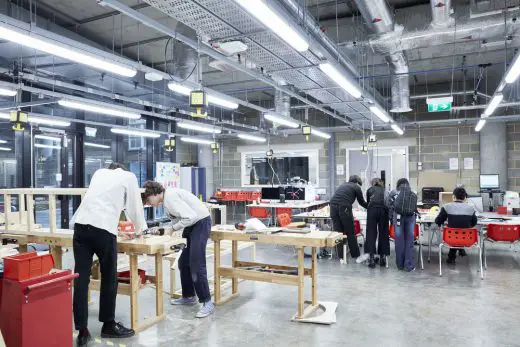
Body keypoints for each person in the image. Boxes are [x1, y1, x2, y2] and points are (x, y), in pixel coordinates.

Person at [71, 163, 147, 346]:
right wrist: (140, 229)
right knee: (109, 277)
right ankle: (108, 325)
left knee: (81, 279)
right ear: (121, 169)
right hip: (103, 229)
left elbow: (98, 200)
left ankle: (82, 330)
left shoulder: (99, 173)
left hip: (80, 226)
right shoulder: (129, 176)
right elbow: (135, 206)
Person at [142, 181, 214, 318]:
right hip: (192, 225)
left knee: (196, 264)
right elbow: (178, 221)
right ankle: (189, 296)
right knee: (183, 262)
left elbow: (190, 217)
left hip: (200, 223)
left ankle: (207, 302)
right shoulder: (167, 201)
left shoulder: (170, 197)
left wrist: (172, 229)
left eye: (148, 199)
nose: (148, 203)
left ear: (155, 193)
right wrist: (164, 229)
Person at [435, 187, 477, 264]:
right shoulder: (471, 208)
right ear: (465, 197)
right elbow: (474, 223)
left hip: (450, 237)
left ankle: (452, 256)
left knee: (454, 230)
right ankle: (460, 250)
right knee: (460, 229)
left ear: (453, 196)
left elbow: (438, 221)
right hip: (467, 238)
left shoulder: (446, 206)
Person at [330, 175, 368, 260]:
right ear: (357, 182)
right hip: (344, 207)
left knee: (338, 233)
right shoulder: (356, 187)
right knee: (350, 232)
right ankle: (355, 255)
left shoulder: (343, 185)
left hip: (332, 206)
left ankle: (340, 256)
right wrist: (370, 207)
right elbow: (361, 202)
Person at [389, 178, 417, 272]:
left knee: (399, 241)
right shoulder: (412, 193)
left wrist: (391, 221)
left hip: (398, 217)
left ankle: (400, 265)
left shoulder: (393, 193)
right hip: (410, 217)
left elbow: (389, 207)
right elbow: (414, 208)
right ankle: (409, 266)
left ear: (398, 184)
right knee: (409, 241)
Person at [364, 178, 390, 268]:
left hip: (372, 211)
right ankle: (382, 258)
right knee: (383, 233)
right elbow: (387, 203)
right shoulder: (385, 190)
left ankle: (371, 259)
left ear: (373, 183)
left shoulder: (369, 190)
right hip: (383, 211)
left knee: (371, 233)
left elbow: (368, 203)